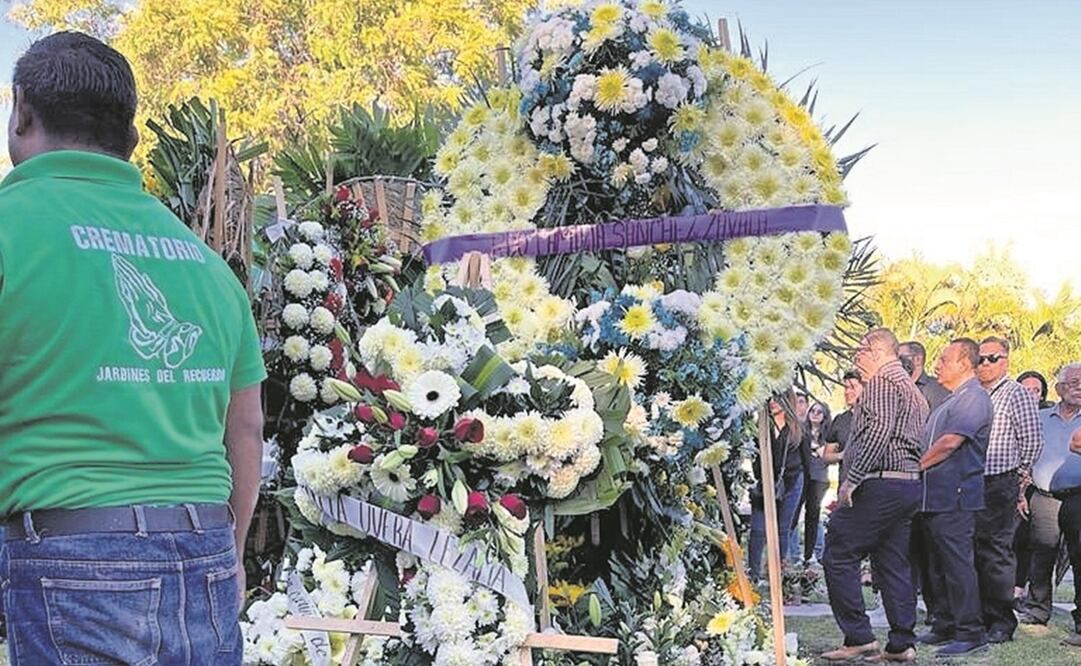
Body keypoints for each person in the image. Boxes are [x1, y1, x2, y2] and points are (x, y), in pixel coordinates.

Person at [0, 32, 266, 665]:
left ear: (21, 114)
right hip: (203, 547)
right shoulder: (205, 264)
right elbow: (247, 427)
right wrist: (230, 552)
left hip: (69, 554)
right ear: (132, 140)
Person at [821, 328, 928, 663]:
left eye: (859, 353)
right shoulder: (912, 388)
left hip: (881, 483)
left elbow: (878, 431)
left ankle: (859, 636)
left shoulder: (883, 382)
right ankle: (901, 644)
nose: (857, 360)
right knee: (893, 562)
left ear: (876, 351)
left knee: (838, 551)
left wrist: (851, 479)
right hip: (907, 484)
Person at [916, 338, 993, 656]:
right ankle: (945, 623)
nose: (937, 365)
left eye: (944, 359)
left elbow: (951, 442)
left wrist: (914, 467)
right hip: (935, 497)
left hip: (956, 497)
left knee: (959, 566)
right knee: (938, 565)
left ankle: (970, 631)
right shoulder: (950, 399)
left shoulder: (973, 397)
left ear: (964, 363)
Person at [974, 336, 1043, 643]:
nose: (985, 363)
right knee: (973, 551)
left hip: (1000, 481)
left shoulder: (1016, 394)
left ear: (1006, 361)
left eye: (993, 358)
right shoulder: (972, 393)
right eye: (981, 358)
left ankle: (1001, 621)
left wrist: (1019, 475)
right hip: (969, 481)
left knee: (997, 553)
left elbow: (1032, 440)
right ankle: (976, 617)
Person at [1019, 364, 1081, 626]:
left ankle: (1080, 618)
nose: (1079, 388)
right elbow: (1025, 455)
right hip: (1044, 497)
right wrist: (1021, 492)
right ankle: (1037, 608)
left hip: (1078, 498)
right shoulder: (1040, 417)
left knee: (1079, 557)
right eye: (1074, 382)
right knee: (1041, 554)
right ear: (1059, 389)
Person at [748, 396, 805, 580]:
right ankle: (753, 576)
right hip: (765, 483)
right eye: (770, 398)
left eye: (777, 398)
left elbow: (806, 464)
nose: (773, 402)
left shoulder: (797, 429)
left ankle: (778, 577)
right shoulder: (762, 427)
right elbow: (755, 460)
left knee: (782, 529)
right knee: (757, 530)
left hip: (792, 482)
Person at [1014, 369, 1054, 609]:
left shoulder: (1048, 416)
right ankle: (1015, 589)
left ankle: (1032, 593)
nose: (1031, 395)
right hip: (1017, 484)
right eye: (1025, 389)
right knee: (1016, 539)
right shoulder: (1008, 414)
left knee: (1039, 544)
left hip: (1040, 487)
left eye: (1036, 390)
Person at [800, 401, 833, 563]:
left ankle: (809, 554)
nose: (815, 414)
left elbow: (829, 456)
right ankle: (791, 553)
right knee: (793, 513)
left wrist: (818, 449)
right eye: (812, 410)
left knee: (812, 515)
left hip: (819, 478)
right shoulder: (802, 430)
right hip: (803, 476)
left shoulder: (828, 434)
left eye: (819, 412)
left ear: (825, 416)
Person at [900, 341, 950, 413]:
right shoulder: (897, 386)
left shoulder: (936, 390)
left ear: (917, 359)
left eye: (900, 357)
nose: (897, 362)